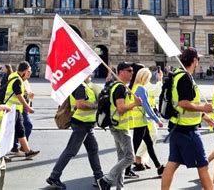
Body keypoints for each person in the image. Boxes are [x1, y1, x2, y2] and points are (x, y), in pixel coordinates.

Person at [161, 48, 214, 190]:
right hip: (187, 130)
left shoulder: (178, 75)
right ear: (194, 61)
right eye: (198, 60)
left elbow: (183, 103)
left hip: (177, 126)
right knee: (203, 165)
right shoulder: (185, 78)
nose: (198, 62)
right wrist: (204, 108)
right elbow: (183, 103)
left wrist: (205, 117)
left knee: (173, 163)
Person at [46, 74, 103, 189]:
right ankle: (54, 177)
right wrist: (96, 106)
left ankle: (99, 177)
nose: (91, 74)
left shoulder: (86, 85)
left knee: (93, 149)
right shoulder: (80, 86)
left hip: (87, 124)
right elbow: (80, 104)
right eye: (88, 72)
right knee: (71, 150)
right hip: (81, 123)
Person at [97, 62, 142, 190]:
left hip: (118, 126)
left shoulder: (120, 86)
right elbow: (121, 108)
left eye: (132, 71)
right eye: (129, 70)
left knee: (121, 158)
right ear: (121, 72)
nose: (132, 73)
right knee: (130, 157)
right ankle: (106, 180)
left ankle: (119, 188)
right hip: (120, 128)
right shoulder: (120, 88)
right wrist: (135, 104)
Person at [129, 68, 165, 178]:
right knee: (134, 148)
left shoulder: (134, 87)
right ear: (144, 77)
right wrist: (157, 120)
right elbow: (147, 107)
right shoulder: (141, 88)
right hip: (140, 121)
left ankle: (159, 167)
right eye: (148, 78)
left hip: (139, 121)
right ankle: (125, 170)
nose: (149, 79)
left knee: (149, 145)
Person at [4, 61, 40, 159]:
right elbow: (18, 95)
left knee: (20, 130)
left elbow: (21, 94)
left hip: (16, 110)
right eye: (29, 71)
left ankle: (27, 151)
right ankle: (2, 155)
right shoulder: (17, 80)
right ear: (24, 71)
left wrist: (28, 96)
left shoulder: (18, 78)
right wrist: (27, 107)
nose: (30, 73)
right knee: (8, 132)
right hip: (12, 109)